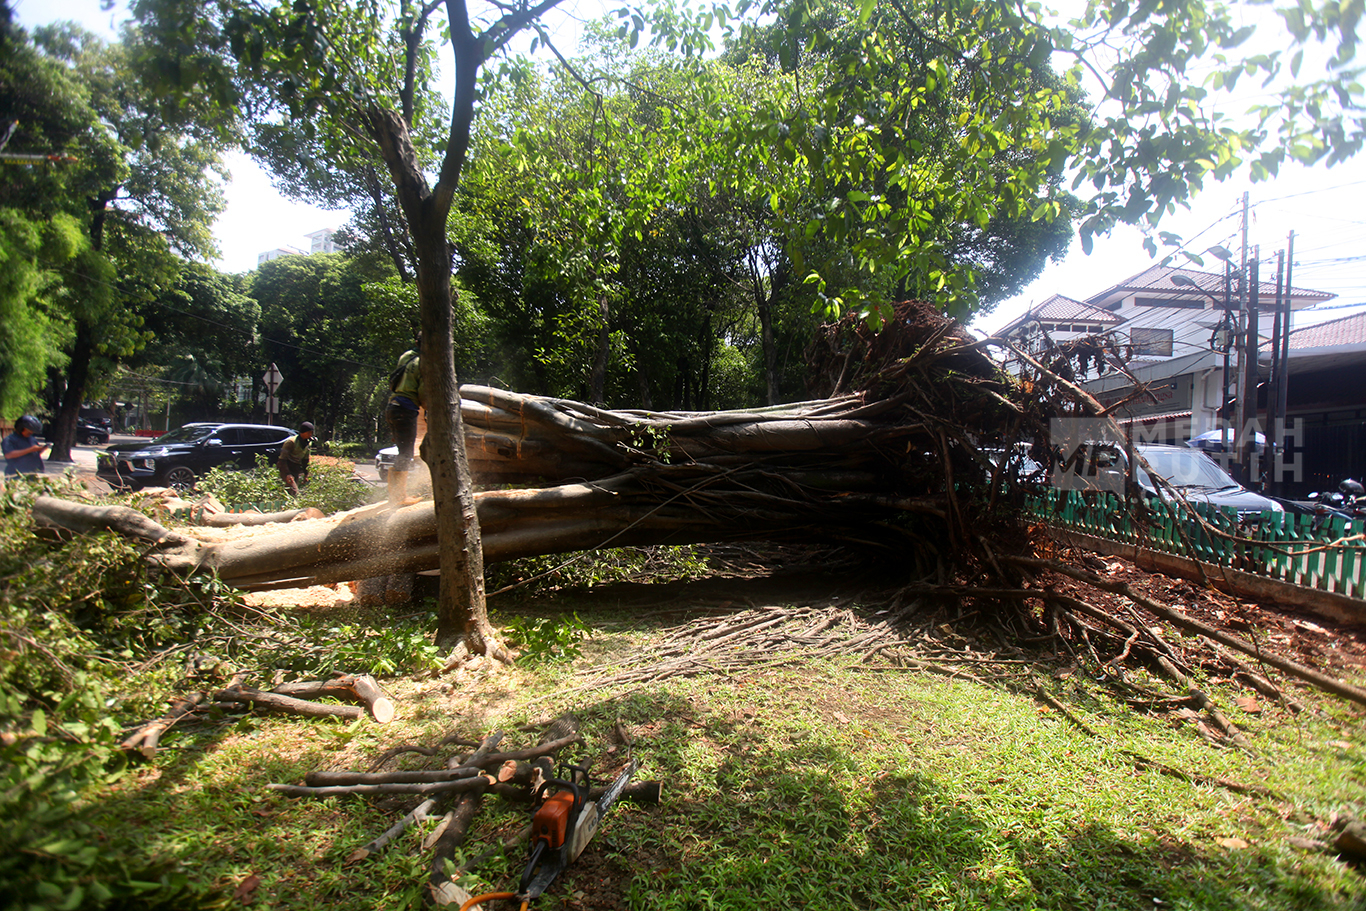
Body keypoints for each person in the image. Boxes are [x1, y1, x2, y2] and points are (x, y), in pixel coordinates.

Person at [385, 343, 424, 506]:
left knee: (403, 451)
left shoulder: (406, 356)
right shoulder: (423, 362)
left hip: (392, 407)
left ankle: (395, 494)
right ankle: (399, 497)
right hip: (405, 410)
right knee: (406, 454)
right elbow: (423, 392)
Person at [278, 422, 314, 497]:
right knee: (294, 491)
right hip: (287, 467)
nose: (310, 434)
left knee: (291, 492)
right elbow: (282, 460)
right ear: (303, 432)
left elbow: (305, 460)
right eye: (309, 432)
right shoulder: (291, 442)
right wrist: (287, 474)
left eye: (311, 433)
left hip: (296, 468)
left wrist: (306, 474)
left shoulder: (307, 443)